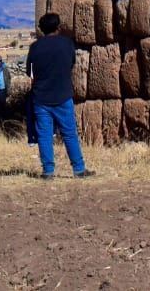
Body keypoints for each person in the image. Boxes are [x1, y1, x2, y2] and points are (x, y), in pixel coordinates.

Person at [26, 12, 91, 179]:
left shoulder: (35, 48)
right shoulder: (67, 44)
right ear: (58, 27)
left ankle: (48, 171)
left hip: (41, 99)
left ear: (41, 29)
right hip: (63, 95)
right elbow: (71, 64)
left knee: (44, 135)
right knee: (69, 133)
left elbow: (29, 72)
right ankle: (79, 169)